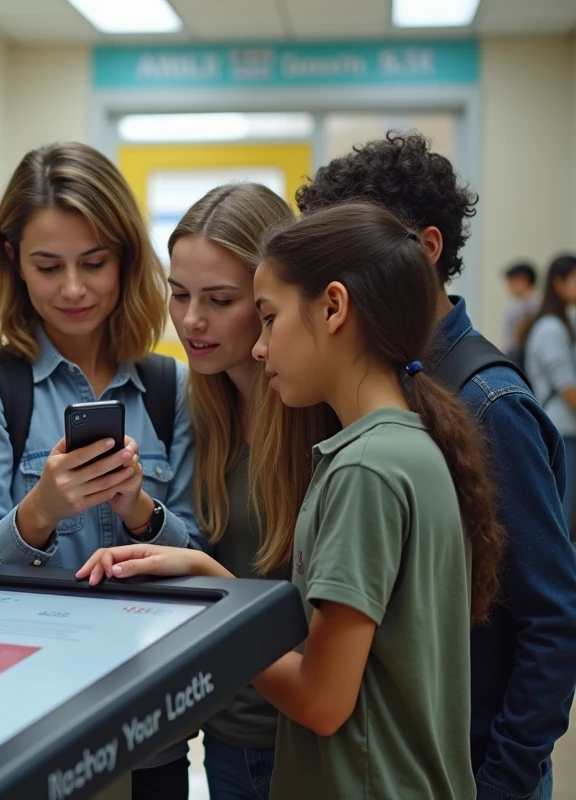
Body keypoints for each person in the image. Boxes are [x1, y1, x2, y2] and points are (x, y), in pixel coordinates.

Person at [81, 202, 506, 800]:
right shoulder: (409, 444)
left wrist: (211, 597)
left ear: (333, 308)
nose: (259, 347)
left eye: (267, 317)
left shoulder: (363, 467)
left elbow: (321, 700)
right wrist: (202, 569)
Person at [295, 132, 576, 800]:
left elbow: (554, 620)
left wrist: (500, 781)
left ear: (425, 250)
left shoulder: (489, 403)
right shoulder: (386, 382)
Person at [0, 141, 202, 799]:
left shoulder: (171, 387)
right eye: (48, 265)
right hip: (26, 722)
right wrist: (39, 513)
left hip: (151, 722)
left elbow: (203, 563)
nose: (72, 288)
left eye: (93, 263)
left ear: (124, 257)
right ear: (14, 261)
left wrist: (140, 513)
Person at [167, 183, 293, 799]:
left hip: (305, 740)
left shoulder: (312, 415)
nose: (192, 320)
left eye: (219, 300)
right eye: (178, 294)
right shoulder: (199, 403)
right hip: (224, 730)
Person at [523, 254, 576, 533]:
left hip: (565, 429)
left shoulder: (562, 323)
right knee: (561, 517)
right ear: (559, 282)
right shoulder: (551, 328)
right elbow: (568, 389)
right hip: (562, 430)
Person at [504, 261, 539, 363]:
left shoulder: (533, 305)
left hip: (523, 354)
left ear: (523, 280)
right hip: (514, 352)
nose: (509, 287)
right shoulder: (516, 305)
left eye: (512, 282)